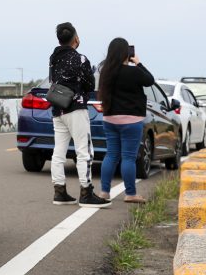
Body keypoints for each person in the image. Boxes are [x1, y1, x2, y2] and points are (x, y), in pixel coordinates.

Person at [48, 22, 111, 208]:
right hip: (76, 108)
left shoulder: (53, 58)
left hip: (58, 108)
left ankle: (59, 192)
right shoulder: (81, 59)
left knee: (58, 151)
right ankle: (86, 192)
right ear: (75, 38)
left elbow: (54, 80)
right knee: (84, 150)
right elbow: (90, 85)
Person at [98, 38, 154, 204]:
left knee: (111, 155)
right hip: (131, 120)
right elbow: (149, 80)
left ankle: (104, 192)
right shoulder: (133, 72)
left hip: (110, 118)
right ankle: (130, 194)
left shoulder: (105, 72)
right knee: (128, 157)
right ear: (126, 53)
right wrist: (138, 63)